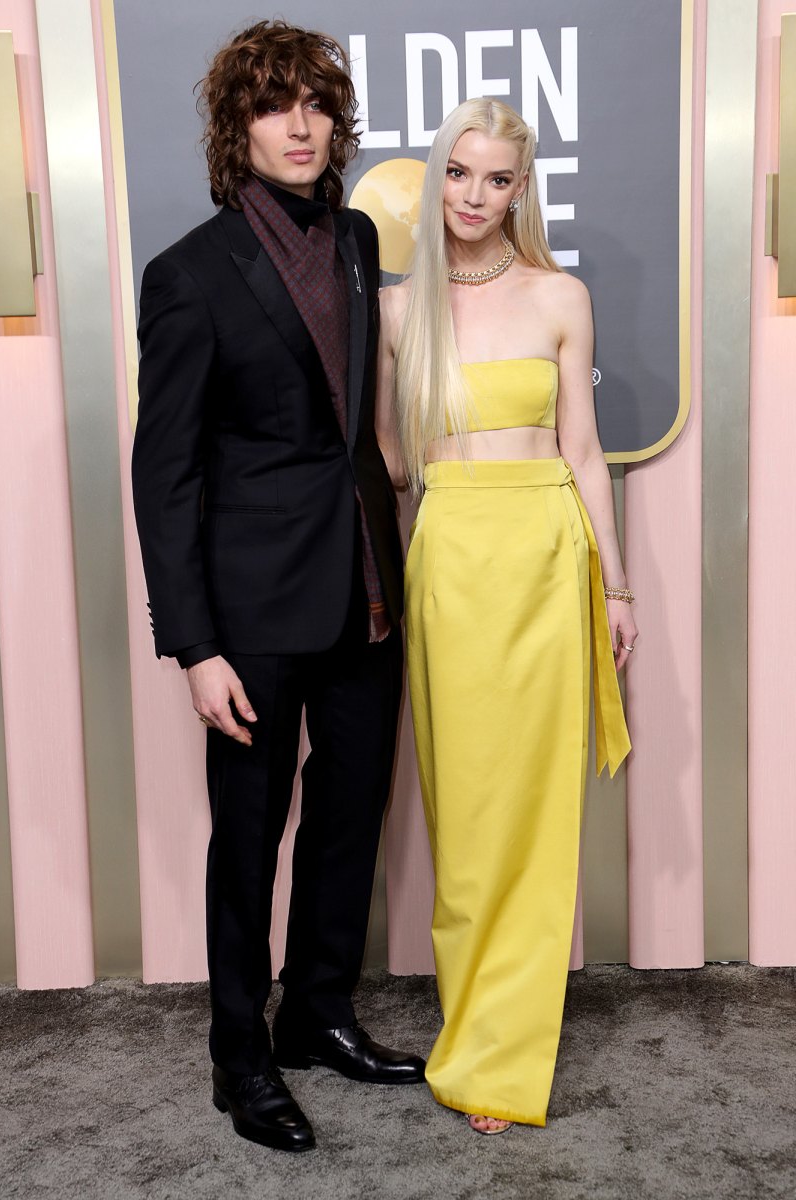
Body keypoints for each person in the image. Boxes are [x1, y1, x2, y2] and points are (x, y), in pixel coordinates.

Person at [131, 20, 424, 1154]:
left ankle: (316, 1014)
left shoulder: (354, 236)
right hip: (249, 614)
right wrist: (194, 647)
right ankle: (238, 1060)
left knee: (352, 813)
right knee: (247, 838)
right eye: (271, 105)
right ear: (234, 127)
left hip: (364, 585)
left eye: (313, 104)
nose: (298, 125)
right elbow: (166, 478)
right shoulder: (189, 276)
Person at [376, 98, 634, 1135]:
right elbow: (393, 469)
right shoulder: (399, 312)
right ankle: (473, 1026)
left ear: (521, 188)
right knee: (469, 812)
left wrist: (613, 587)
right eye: (456, 174)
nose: (473, 197)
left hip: (541, 559)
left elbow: (581, 454)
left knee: (532, 816)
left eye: (495, 179)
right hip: (449, 562)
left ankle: (502, 1057)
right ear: (434, 178)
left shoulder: (559, 295)